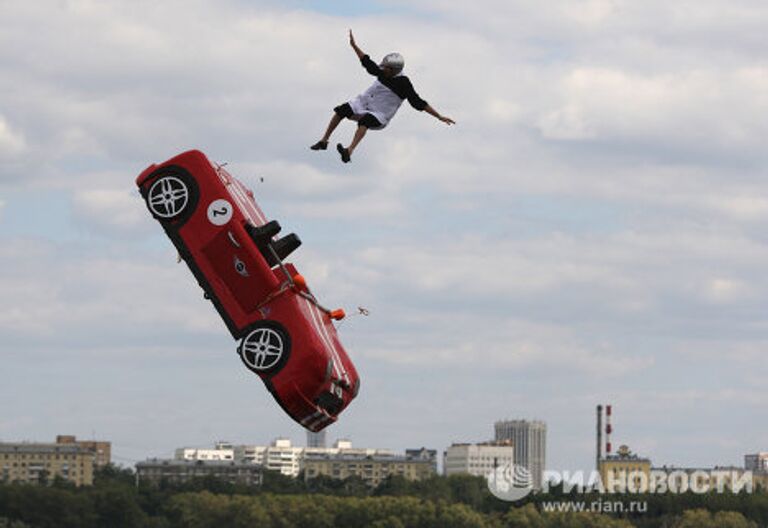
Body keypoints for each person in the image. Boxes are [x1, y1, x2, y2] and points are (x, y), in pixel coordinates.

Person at [310, 30, 455, 163]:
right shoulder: (383, 71)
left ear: (394, 70)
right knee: (341, 110)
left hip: (380, 115)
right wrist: (354, 46)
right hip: (363, 102)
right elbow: (367, 63)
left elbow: (418, 103)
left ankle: (349, 150)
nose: (382, 70)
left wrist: (439, 116)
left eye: (385, 69)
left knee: (365, 121)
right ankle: (324, 141)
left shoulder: (404, 83)